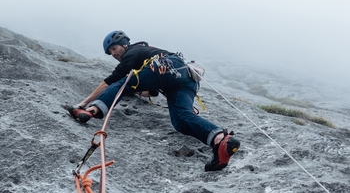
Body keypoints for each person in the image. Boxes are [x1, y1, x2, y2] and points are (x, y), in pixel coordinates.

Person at [68, 30, 240, 171]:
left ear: (125, 44)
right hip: (186, 79)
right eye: (110, 52)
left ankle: (91, 111)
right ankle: (220, 140)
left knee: (125, 80)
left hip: (165, 66)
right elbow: (151, 91)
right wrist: (133, 91)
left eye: (114, 49)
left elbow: (114, 79)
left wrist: (84, 102)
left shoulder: (134, 51)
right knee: (180, 119)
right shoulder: (144, 53)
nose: (113, 54)